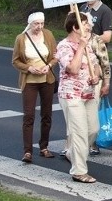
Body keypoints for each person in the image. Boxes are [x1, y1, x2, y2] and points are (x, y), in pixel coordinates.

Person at [56, 12, 101, 183]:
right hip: (71, 95)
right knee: (79, 132)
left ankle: (72, 153)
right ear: (75, 28)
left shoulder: (88, 45)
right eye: (84, 24)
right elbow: (73, 69)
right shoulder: (64, 46)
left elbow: (95, 65)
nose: (89, 26)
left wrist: (96, 76)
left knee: (93, 129)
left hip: (88, 93)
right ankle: (79, 171)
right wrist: (80, 47)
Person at [12, 10, 58, 163]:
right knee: (29, 116)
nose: (39, 26)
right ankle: (27, 151)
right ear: (29, 24)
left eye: (42, 23)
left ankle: (44, 147)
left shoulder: (48, 35)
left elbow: (55, 55)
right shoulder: (21, 39)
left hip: (47, 80)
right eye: (36, 24)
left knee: (46, 115)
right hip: (30, 81)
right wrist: (29, 68)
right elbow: (16, 61)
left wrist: (49, 65)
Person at [85, 12, 112, 156]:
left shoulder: (96, 40)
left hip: (96, 82)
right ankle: (72, 144)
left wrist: (106, 83)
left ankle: (92, 142)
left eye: (87, 24)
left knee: (92, 113)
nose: (86, 27)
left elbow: (105, 64)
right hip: (78, 83)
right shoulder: (73, 40)